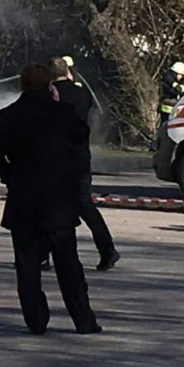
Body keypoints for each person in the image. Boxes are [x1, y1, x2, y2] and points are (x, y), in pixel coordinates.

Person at [0, 64, 101, 335]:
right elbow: (80, 139)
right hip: (59, 202)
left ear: (23, 86)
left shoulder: (7, 116)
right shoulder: (63, 113)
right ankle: (84, 321)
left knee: (27, 268)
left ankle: (36, 320)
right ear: (50, 86)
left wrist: (12, 177)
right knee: (69, 267)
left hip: (23, 203)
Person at [49, 57, 120, 271]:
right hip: (80, 157)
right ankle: (107, 249)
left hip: (57, 159)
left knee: (48, 207)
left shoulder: (51, 95)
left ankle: (43, 255)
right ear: (68, 71)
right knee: (85, 206)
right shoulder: (81, 92)